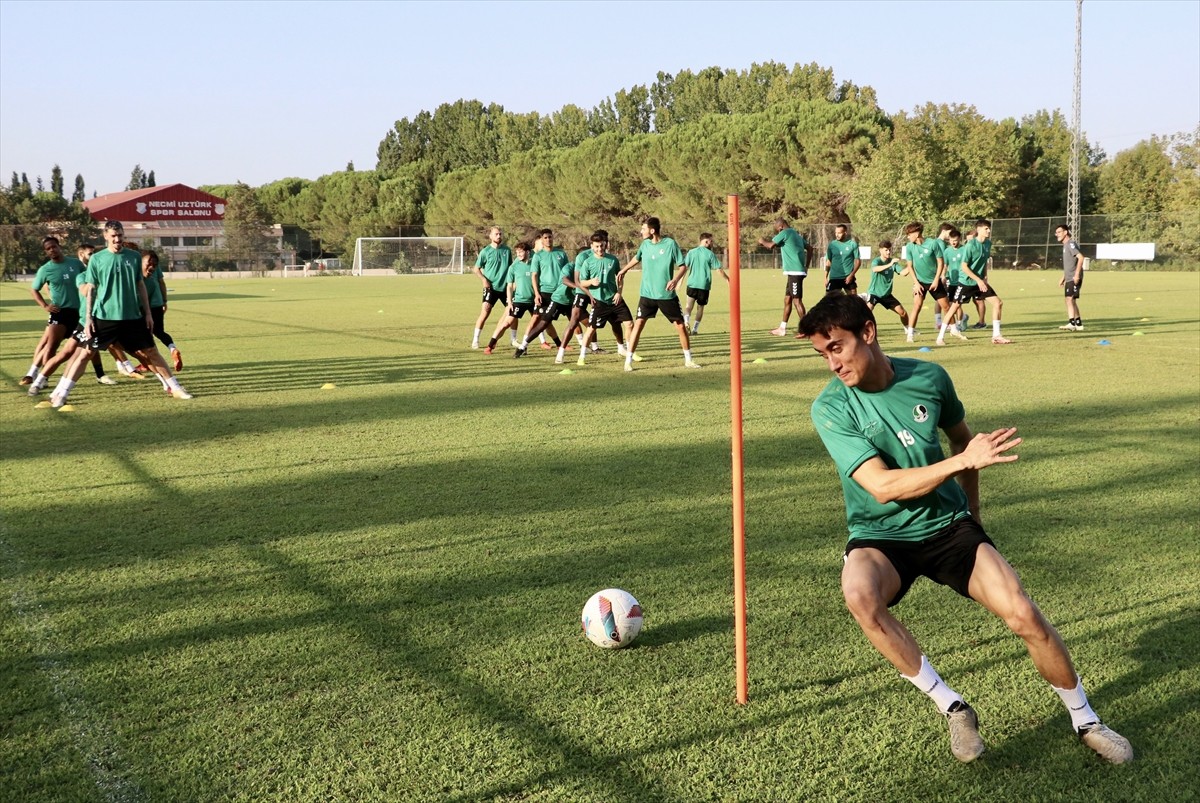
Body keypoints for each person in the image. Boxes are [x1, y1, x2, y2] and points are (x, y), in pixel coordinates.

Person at [798, 293, 1133, 765]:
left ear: (868, 333)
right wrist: (961, 461)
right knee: (860, 596)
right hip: (881, 534)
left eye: (836, 347)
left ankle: (1086, 720)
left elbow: (964, 441)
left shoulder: (929, 377)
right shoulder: (830, 407)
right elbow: (882, 486)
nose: (831, 363)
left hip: (948, 526)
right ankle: (953, 706)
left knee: (1022, 613)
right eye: (822, 354)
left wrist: (972, 513)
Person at [46, 221, 192, 407]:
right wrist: (89, 317)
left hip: (132, 317)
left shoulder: (133, 257)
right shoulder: (97, 259)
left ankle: (176, 388)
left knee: (151, 352)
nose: (117, 239)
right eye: (113, 236)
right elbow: (90, 288)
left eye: (120, 235)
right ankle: (62, 394)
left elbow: (140, 285)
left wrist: (147, 313)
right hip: (105, 317)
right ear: (106, 236)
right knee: (86, 353)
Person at [617, 217, 700, 371]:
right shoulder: (645, 244)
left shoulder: (670, 244)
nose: (641, 231)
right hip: (647, 294)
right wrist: (624, 270)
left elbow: (682, 266)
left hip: (666, 295)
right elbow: (637, 258)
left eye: (643, 228)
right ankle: (628, 361)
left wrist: (675, 280)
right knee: (639, 323)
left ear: (652, 230)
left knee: (680, 326)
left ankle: (688, 359)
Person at [20, 237, 85, 386]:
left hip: (79, 312)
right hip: (60, 312)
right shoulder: (45, 269)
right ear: (46, 251)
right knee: (51, 345)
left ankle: (100, 374)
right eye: (48, 249)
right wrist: (45, 305)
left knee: (84, 346)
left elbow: (88, 279)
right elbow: (34, 289)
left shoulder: (75, 264)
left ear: (59, 246)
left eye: (53, 247)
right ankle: (44, 378)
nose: (52, 250)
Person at [576, 233, 635, 367]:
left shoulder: (613, 260)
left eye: (602, 245)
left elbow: (620, 278)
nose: (600, 248)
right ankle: (582, 356)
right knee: (591, 329)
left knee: (629, 324)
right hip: (599, 301)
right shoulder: (588, 262)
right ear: (592, 246)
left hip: (614, 299)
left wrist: (619, 293)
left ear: (606, 245)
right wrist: (591, 281)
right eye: (597, 246)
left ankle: (629, 352)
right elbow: (582, 283)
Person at [960, 219, 1011, 344]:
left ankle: (996, 335)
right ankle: (941, 336)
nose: (988, 230)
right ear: (978, 230)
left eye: (989, 228)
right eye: (986, 228)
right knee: (953, 307)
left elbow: (984, 263)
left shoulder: (988, 244)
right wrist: (978, 279)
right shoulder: (970, 245)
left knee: (998, 303)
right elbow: (964, 266)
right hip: (968, 281)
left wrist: (985, 276)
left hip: (980, 282)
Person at [758, 219, 812, 336]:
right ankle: (782, 328)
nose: (778, 233)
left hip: (795, 272)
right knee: (787, 300)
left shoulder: (785, 233)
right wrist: (806, 266)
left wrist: (762, 241)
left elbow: (771, 245)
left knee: (797, 301)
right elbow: (810, 248)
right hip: (794, 272)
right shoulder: (795, 234)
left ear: (781, 227)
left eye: (778, 230)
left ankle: (807, 330)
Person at [481, 241, 535, 354]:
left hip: (534, 300)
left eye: (521, 252)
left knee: (538, 323)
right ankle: (490, 345)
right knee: (507, 323)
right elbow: (509, 286)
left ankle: (524, 345)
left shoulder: (535, 264)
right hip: (519, 300)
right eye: (517, 252)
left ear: (528, 252)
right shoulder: (514, 267)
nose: (519, 254)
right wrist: (509, 302)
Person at [903, 222, 948, 343]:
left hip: (934, 281)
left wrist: (936, 280)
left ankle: (954, 329)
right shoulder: (909, 247)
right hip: (919, 282)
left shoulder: (933, 243)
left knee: (946, 307)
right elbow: (910, 267)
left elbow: (940, 263)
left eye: (909, 234)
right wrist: (916, 283)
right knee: (917, 306)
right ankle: (910, 335)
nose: (908, 237)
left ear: (917, 234)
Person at [470, 226, 514, 349]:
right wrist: (484, 280)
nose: (499, 236)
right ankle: (475, 340)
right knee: (485, 311)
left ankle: (513, 339)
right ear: (490, 236)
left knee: (512, 312)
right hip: (491, 288)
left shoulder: (507, 250)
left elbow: (511, 268)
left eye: (500, 234)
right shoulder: (485, 252)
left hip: (505, 288)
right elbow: (476, 269)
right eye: (496, 234)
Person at [141, 250, 184, 370]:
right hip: (158, 303)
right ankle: (173, 348)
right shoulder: (155, 265)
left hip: (144, 306)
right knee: (159, 331)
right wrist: (164, 300)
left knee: (144, 335)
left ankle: (150, 362)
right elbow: (161, 282)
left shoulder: (138, 266)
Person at [682, 232, 728, 335]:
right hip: (704, 285)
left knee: (688, 306)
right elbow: (719, 270)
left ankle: (686, 322)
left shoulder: (691, 252)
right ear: (706, 241)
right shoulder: (710, 254)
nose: (712, 244)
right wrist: (727, 279)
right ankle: (694, 329)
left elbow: (684, 268)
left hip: (692, 283)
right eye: (711, 241)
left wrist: (679, 281)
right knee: (700, 308)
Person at [864, 240, 912, 335]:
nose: (889, 252)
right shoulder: (877, 261)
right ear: (880, 250)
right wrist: (890, 265)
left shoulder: (893, 262)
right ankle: (861, 332)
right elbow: (875, 269)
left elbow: (903, 273)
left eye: (890, 250)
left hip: (886, 294)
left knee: (903, 313)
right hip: (874, 293)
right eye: (886, 250)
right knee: (866, 313)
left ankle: (908, 330)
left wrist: (912, 265)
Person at [935, 228, 972, 345]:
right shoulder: (947, 251)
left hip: (963, 282)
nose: (953, 243)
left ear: (959, 240)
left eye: (955, 240)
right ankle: (958, 323)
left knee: (957, 305)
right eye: (951, 240)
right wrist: (943, 275)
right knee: (952, 305)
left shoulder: (964, 249)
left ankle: (959, 323)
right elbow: (945, 265)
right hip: (952, 282)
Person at [1055, 224, 1085, 331]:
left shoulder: (1071, 244)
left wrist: (1076, 275)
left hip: (1073, 277)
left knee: (1069, 299)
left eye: (1059, 232)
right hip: (1069, 277)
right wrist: (1063, 277)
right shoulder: (1065, 245)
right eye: (1056, 232)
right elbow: (1069, 264)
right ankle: (1078, 324)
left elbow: (1081, 258)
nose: (1056, 234)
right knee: (1070, 300)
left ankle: (1072, 323)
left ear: (1065, 232)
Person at [824, 224, 860, 296]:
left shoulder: (852, 244)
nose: (837, 235)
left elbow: (858, 262)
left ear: (845, 233)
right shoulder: (832, 245)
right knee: (828, 302)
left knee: (854, 302)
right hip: (834, 278)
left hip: (848, 278)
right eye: (836, 233)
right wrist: (825, 277)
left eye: (839, 233)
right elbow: (828, 262)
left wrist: (851, 275)